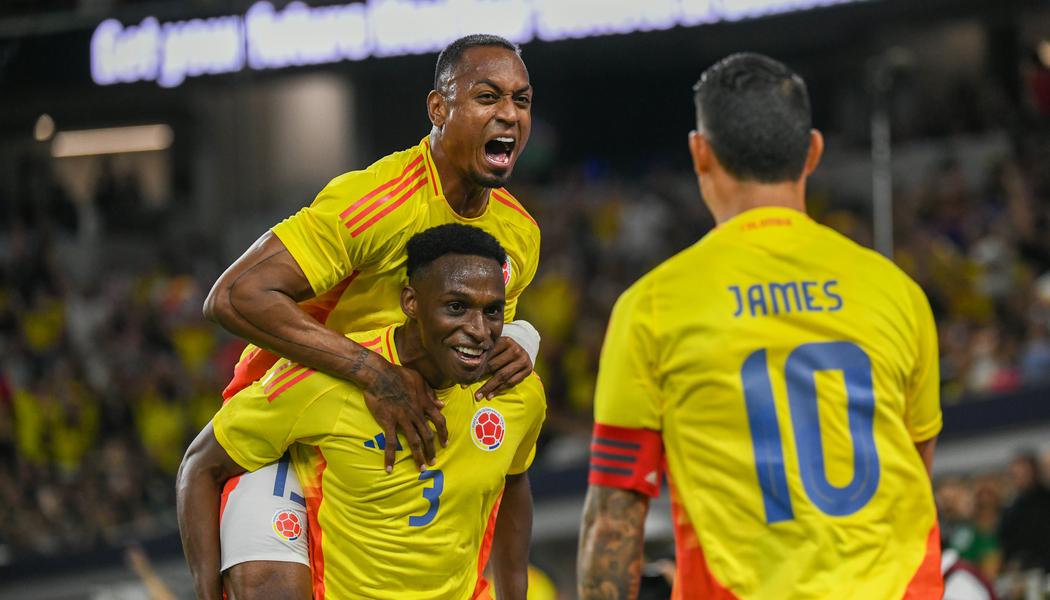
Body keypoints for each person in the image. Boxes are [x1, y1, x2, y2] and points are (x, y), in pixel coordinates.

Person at [577, 53, 943, 599]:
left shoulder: (651, 307)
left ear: (701, 153)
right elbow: (913, 473)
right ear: (813, 151)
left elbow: (613, 525)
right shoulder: (898, 291)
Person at [201, 34, 541, 596]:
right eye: (487, 97)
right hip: (294, 422)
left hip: (399, 434)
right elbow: (236, 295)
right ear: (438, 108)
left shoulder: (520, 234)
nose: (508, 113)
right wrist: (375, 373)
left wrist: (525, 336)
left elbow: (477, 336)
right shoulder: (375, 201)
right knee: (268, 584)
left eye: (521, 100)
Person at [178, 224, 546, 599]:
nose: (479, 330)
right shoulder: (323, 382)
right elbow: (199, 467)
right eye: (457, 307)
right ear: (411, 302)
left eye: (493, 312)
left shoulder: (518, 394)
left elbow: (514, 479)